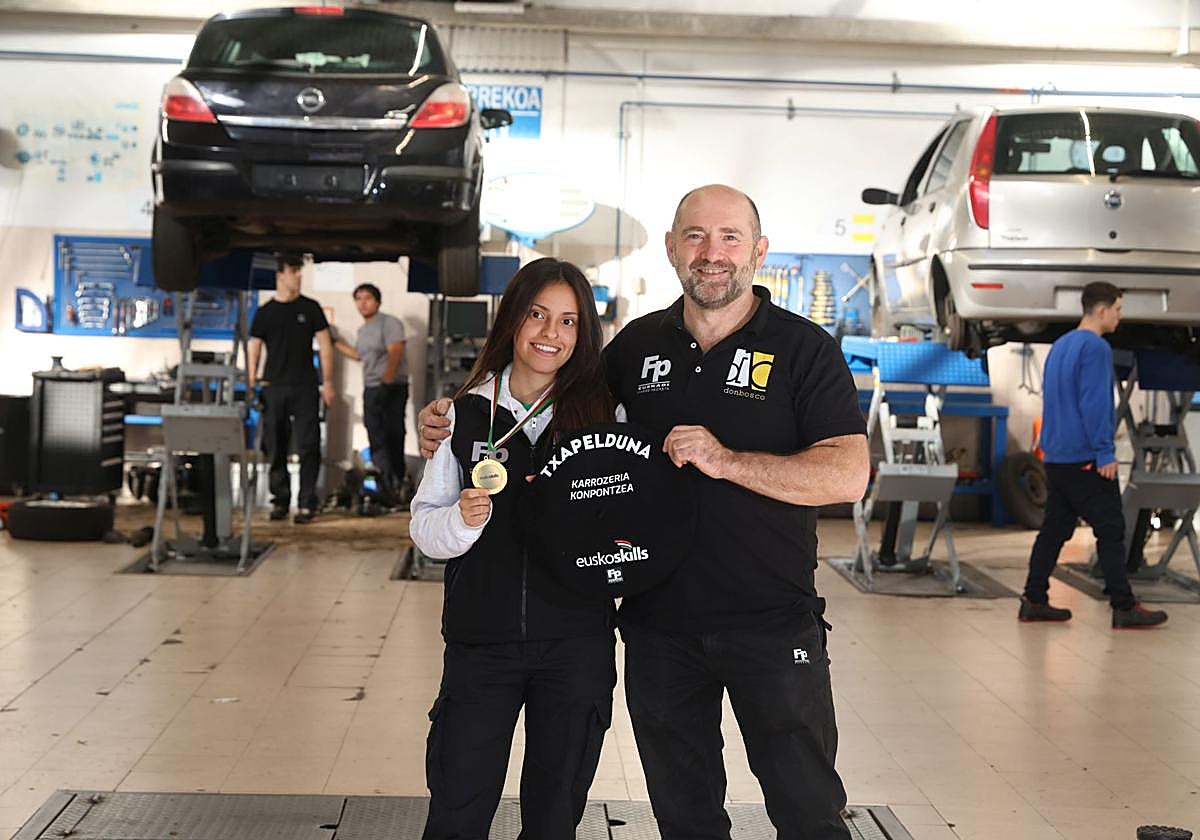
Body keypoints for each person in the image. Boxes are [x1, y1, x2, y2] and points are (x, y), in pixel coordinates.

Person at [420, 185, 870, 840]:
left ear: (759, 250)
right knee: (685, 817)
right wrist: (451, 412)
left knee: (807, 809)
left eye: (729, 237)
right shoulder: (634, 348)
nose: (711, 253)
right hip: (659, 629)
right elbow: (552, 402)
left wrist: (729, 460)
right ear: (670, 248)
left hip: (771, 625)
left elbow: (849, 473)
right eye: (694, 236)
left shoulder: (804, 349)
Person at [408, 257, 617, 840]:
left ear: (584, 333)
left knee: (554, 817)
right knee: (458, 807)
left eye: (569, 321)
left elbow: (632, 519)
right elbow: (424, 528)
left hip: (576, 645)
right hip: (483, 645)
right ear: (512, 321)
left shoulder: (604, 414)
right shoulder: (462, 414)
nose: (551, 333)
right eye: (538, 315)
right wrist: (462, 521)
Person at [1019, 281, 1168, 628]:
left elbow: (1055, 401)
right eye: (1118, 309)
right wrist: (1104, 453)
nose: (1120, 316)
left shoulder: (1060, 346)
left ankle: (1034, 598)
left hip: (1056, 456)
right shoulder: (1096, 348)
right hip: (1084, 456)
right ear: (1101, 310)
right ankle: (1124, 605)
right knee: (1111, 528)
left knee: (1054, 530)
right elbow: (1095, 404)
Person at [247, 252, 334, 525]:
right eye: (293, 270)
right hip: (273, 386)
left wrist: (327, 382)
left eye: (299, 270)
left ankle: (307, 502)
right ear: (280, 275)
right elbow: (255, 346)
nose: (298, 275)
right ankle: (280, 501)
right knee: (276, 445)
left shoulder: (310, 308)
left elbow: (326, 345)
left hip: (306, 386)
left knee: (309, 445)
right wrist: (251, 378)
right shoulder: (265, 312)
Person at [334, 282, 410, 504]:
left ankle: (397, 482)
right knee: (375, 436)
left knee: (394, 433)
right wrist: (333, 341)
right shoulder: (362, 330)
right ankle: (383, 482)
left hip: (392, 387)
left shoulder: (389, 323)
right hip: (371, 388)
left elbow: (396, 351)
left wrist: (387, 383)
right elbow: (360, 356)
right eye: (358, 298)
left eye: (367, 298)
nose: (362, 303)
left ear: (377, 301)